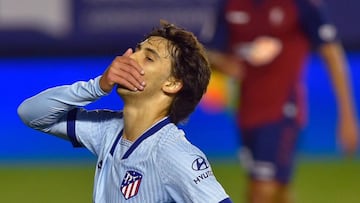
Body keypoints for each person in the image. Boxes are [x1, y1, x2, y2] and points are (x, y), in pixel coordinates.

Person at [17, 21, 233, 203]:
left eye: (148, 58)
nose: (130, 58)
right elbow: (31, 114)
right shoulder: (106, 130)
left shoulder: (173, 155)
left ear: (172, 83)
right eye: (136, 50)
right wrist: (97, 86)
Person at [207, 0, 359, 203]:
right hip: (246, 112)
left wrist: (347, 116)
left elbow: (331, 53)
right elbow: (208, 52)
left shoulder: (299, 5)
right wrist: (225, 64)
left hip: (284, 109)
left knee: (261, 191)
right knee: (277, 192)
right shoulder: (230, 5)